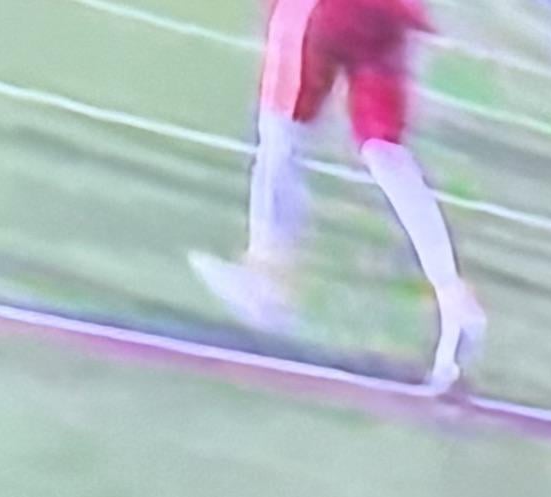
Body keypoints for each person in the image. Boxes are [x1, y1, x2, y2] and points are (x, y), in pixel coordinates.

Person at [191, 0, 486, 392]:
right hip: (387, 13)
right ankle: (452, 295)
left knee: (281, 133)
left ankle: (267, 277)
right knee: (385, 150)